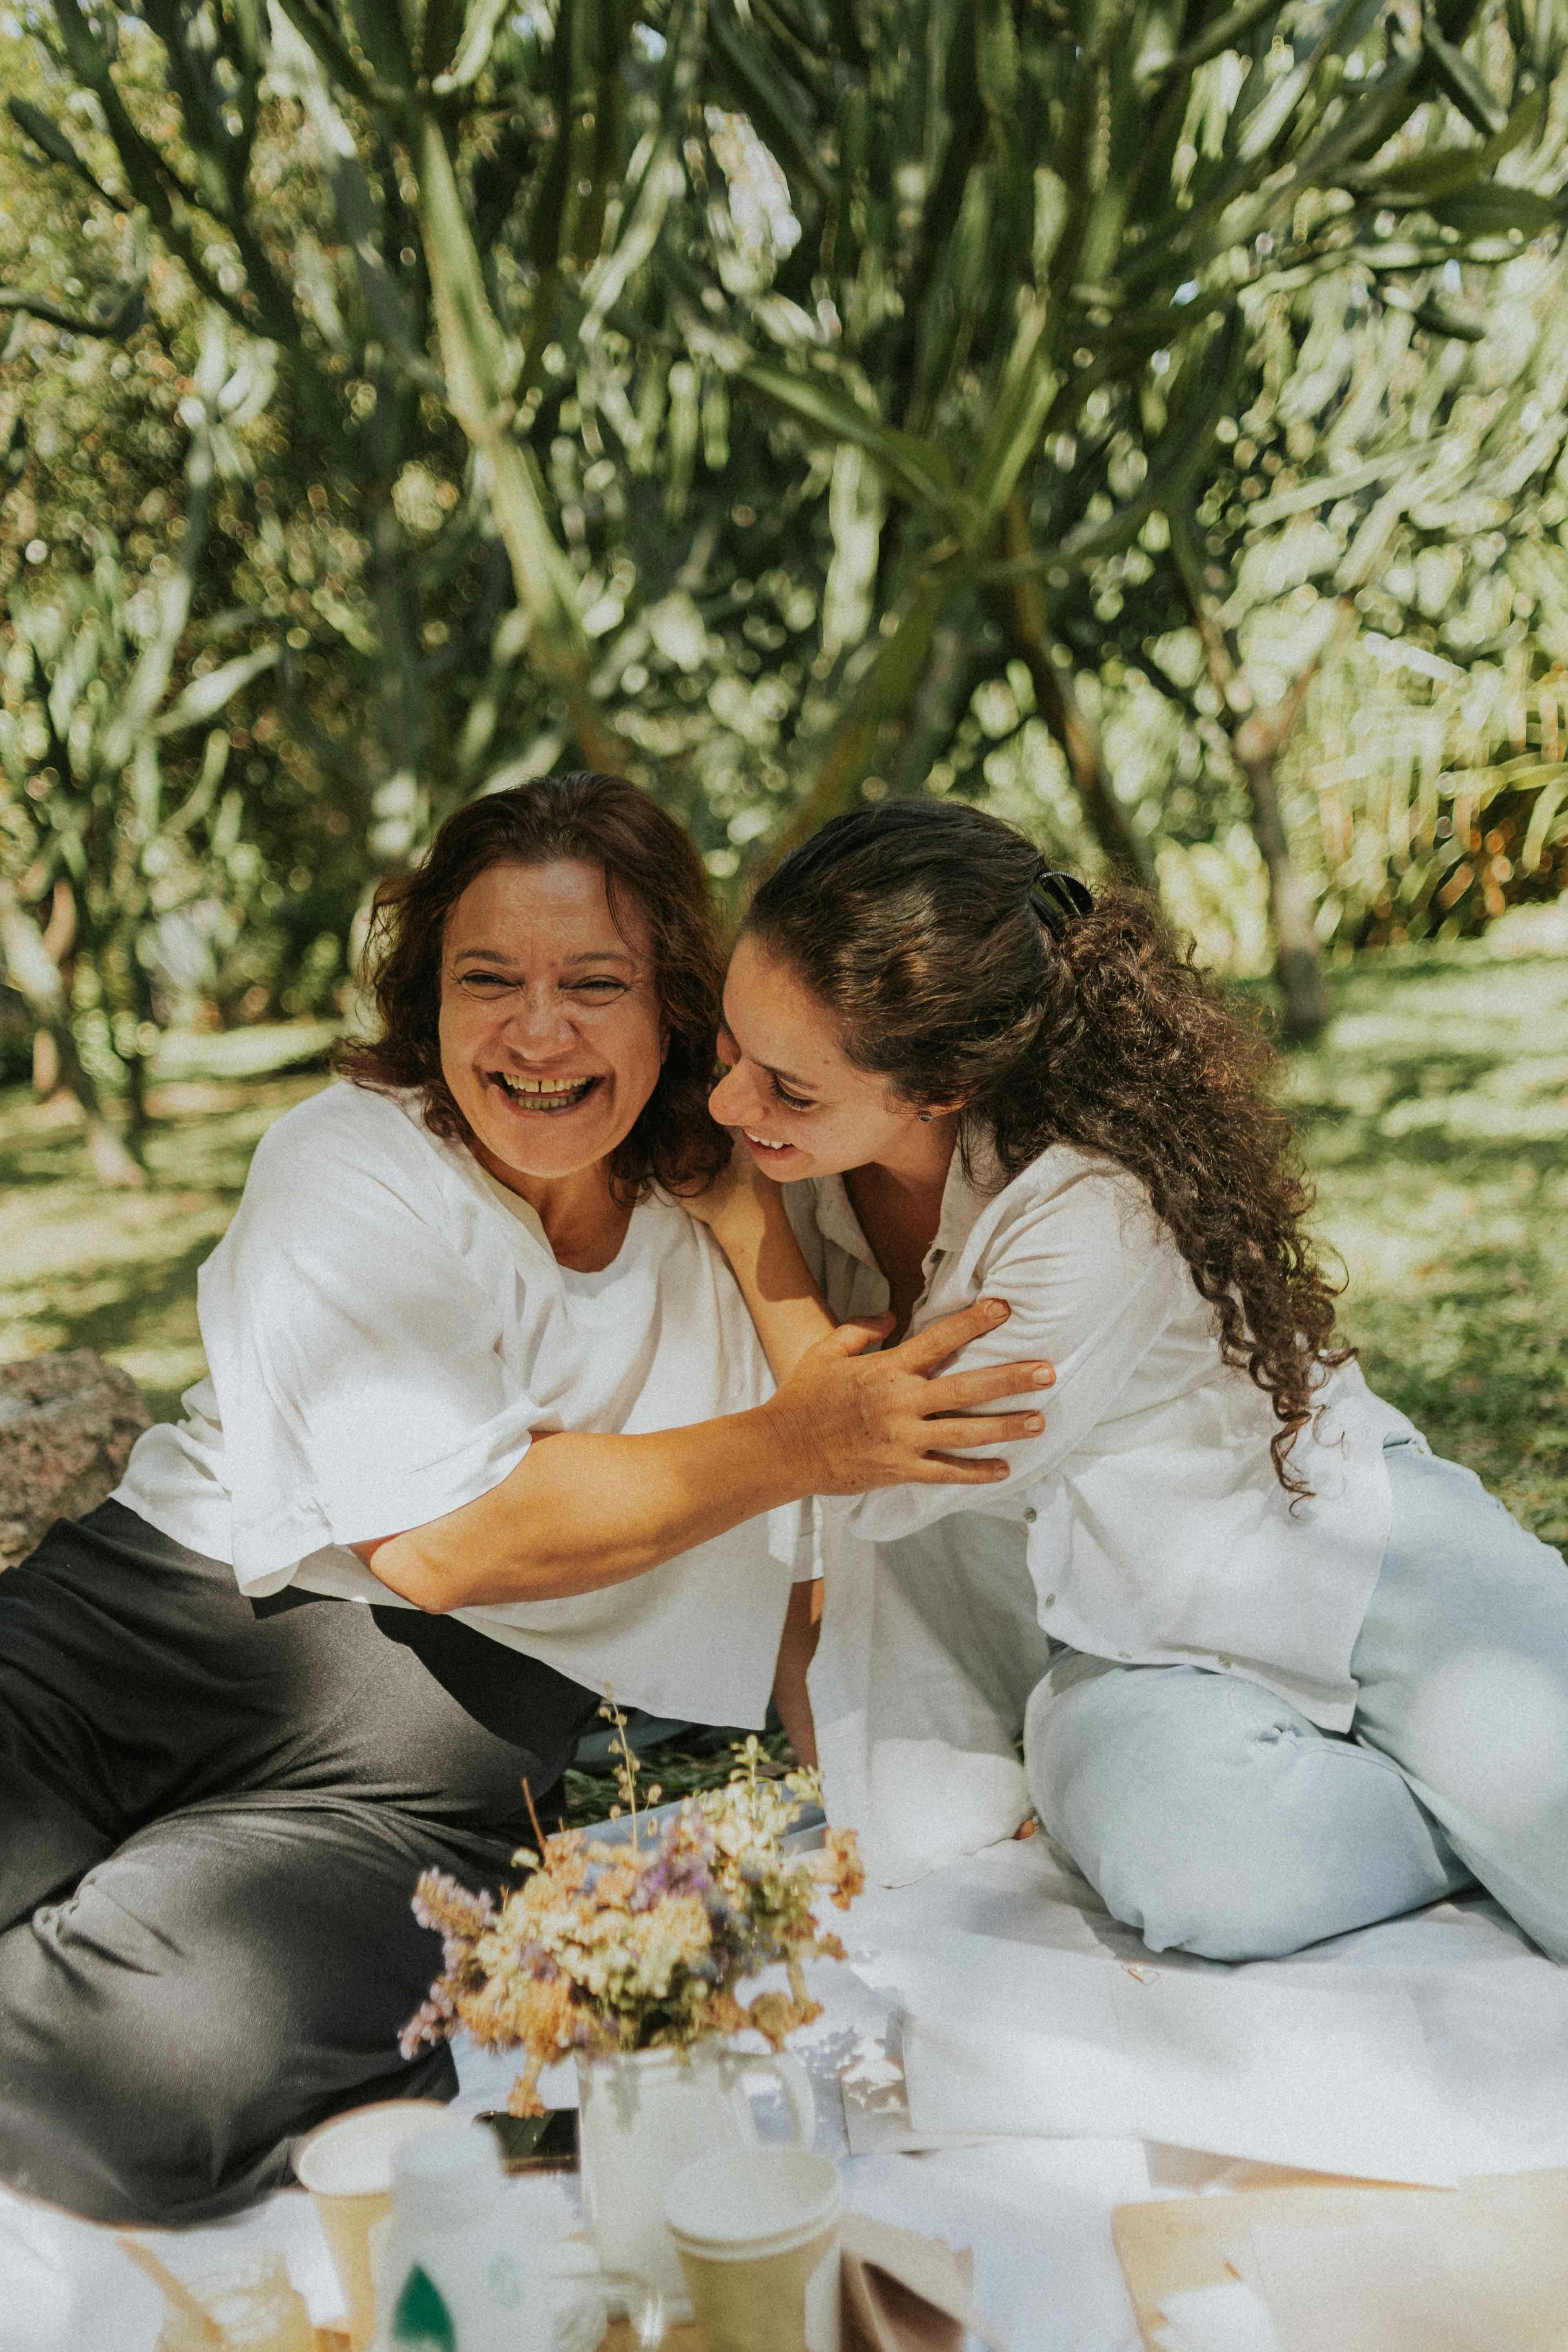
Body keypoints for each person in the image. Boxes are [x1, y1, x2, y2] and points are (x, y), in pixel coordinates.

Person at [0, 773, 1046, 2225]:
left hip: (450, 1764)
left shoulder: (741, 1218)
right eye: (486, 979)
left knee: (135, 2109)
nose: (537, 1033)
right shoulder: (351, 1161)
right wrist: (798, 1436)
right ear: (428, 997)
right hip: (163, 1632)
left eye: (595, 985)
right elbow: (445, 1539)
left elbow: (817, 1599)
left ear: (678, 1009)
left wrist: (897, 1849)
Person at [697, 797, 1568, 1953]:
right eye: (727, 1052)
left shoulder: (1089, 1207)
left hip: (1356, 1562)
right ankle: (1465, 1823)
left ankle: (1488, 1797)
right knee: (1199, 1874)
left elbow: (888, 1469)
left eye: (786, 1088)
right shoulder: (806, 1172)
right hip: (1129, 1643)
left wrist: (744, 1225)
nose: (727, 1107)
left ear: (946, 1083)